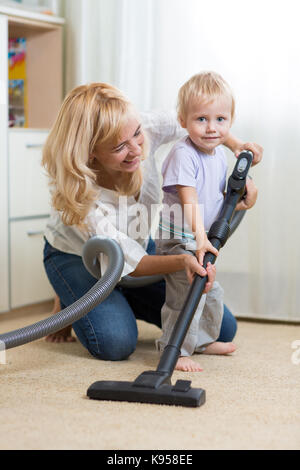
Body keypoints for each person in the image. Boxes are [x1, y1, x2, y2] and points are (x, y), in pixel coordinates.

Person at [42, 82, 262, 363]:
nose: (136, 149)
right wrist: (183, 262)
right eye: (121, 146)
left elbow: (200, 118)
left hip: (135, 244)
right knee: (115, 342)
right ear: (90, 152)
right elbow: (133, 264)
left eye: (137, 135)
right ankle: (71, 293)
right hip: (79, 256)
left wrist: (238, 148)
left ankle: (115, 298)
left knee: (221, 329)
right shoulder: (86, 201)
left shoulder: (140, 126)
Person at [155, 71, 249, 371]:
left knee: (211, 290)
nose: (212, 128)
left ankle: (203, 340)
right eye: (201, 119)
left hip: (201, 237)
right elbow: (189, 199)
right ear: (183, 120)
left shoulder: (219, 155)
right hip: (180, 238)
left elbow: (218, 196)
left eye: (220, 119)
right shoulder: (184, 154)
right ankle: (176, 348)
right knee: (187, 289)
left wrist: (241, 200)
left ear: (230, 120)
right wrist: (200, 237)